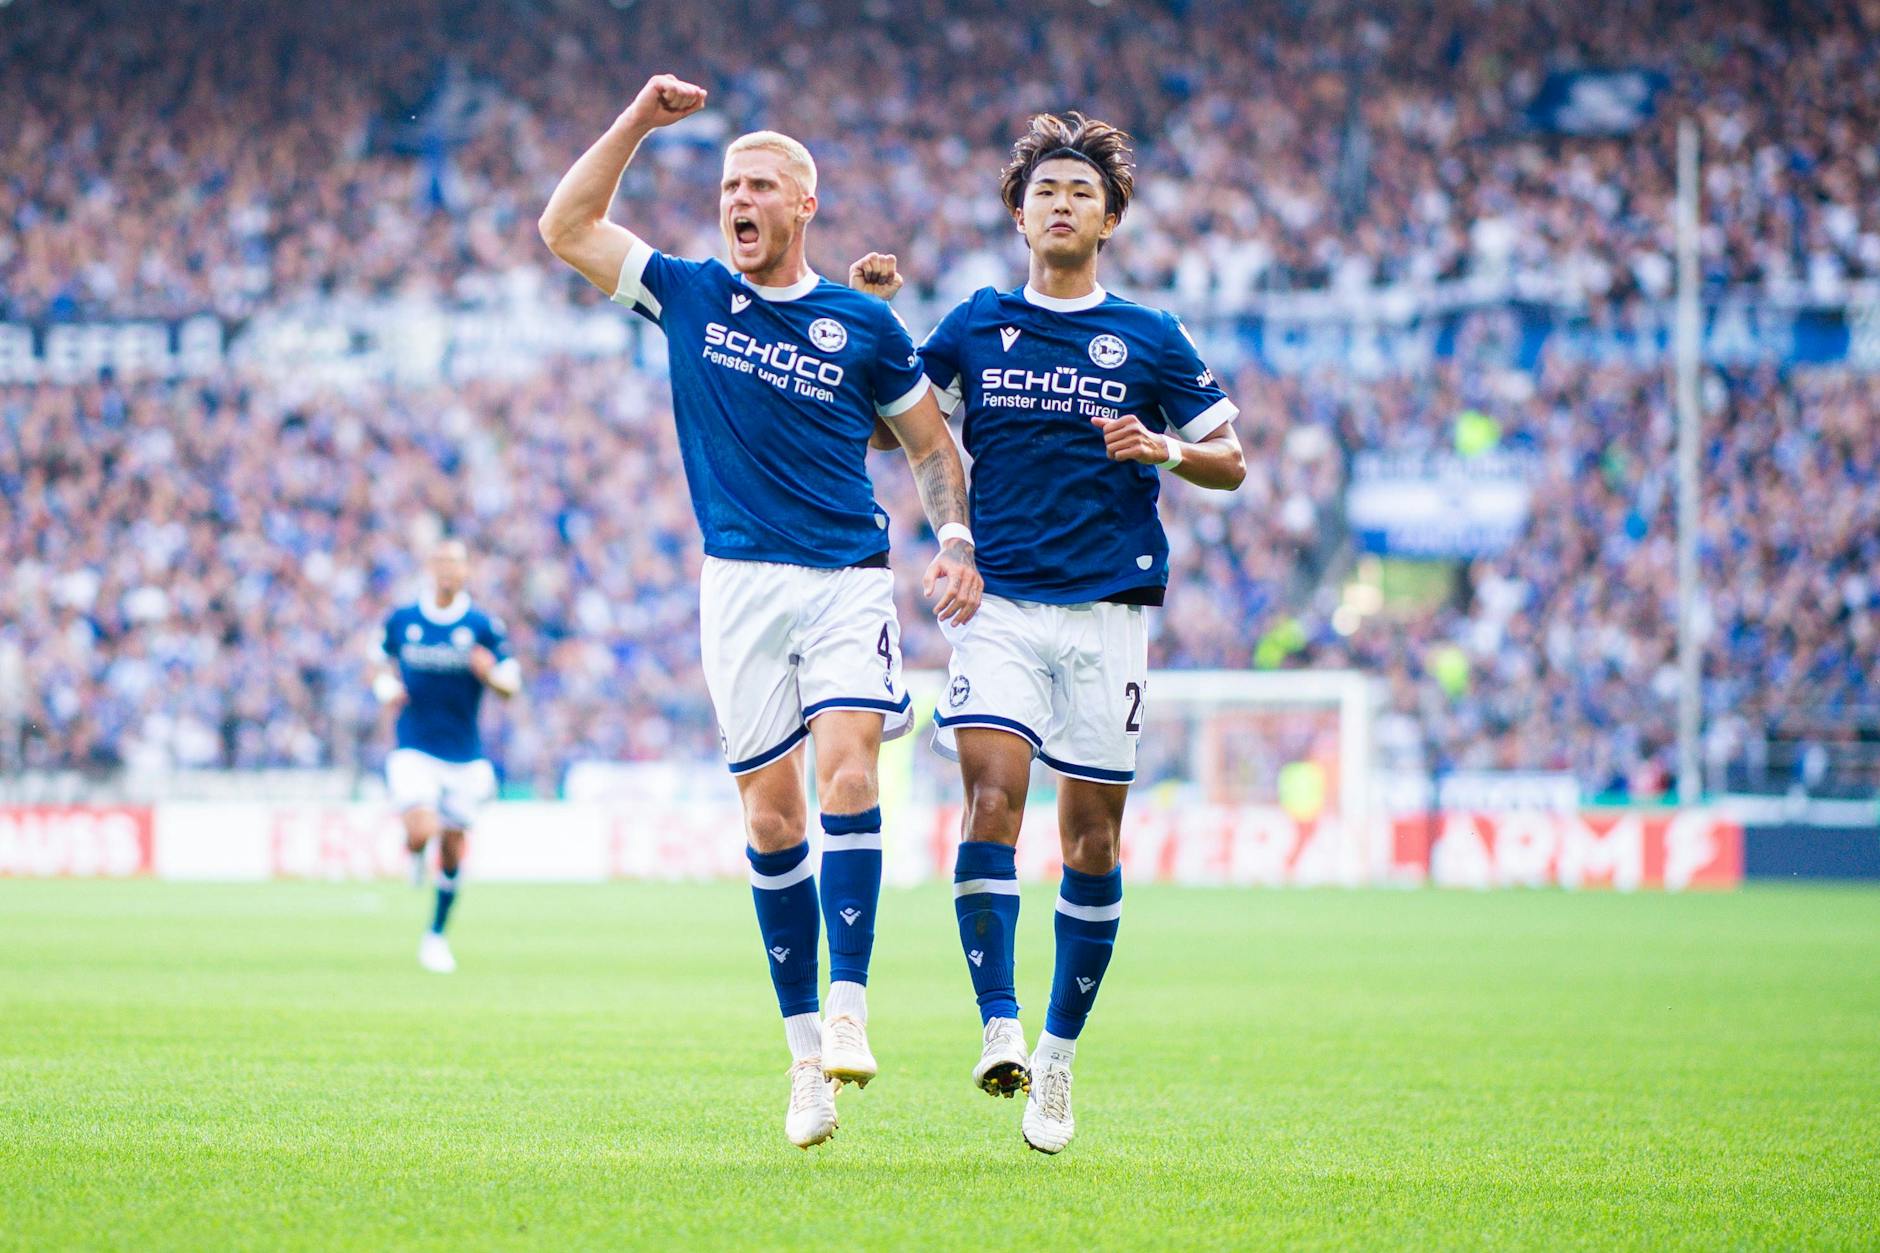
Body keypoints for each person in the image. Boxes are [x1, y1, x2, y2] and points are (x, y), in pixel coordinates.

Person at [538, 74, 981, 1149]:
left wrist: (955, 540)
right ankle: (803, 1058)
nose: (737, 198)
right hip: (734, 585)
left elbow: (928, 444)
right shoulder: (688, 293)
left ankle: (849, 1002)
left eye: (759, 185)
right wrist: (639, 122)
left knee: (848, 776)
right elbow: (565, 229)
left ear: (804, 205)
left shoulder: (861, 324)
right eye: (729, 185)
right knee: (772, 821)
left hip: (843, 578)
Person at [852, 113, 1246, 1153]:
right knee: (991, 797)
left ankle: (1059, 1060)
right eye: (1044, 192)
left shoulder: (1151, 335)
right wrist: (871, 320)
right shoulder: (976, 323)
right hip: (1002, 605)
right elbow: (891, 426)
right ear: (1018, 216)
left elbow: (1231, 459)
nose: (1061, 204)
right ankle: (1000, 1024)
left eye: (1081, 192)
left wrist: (1161, 447)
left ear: (1109, 219)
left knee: (1091, 840)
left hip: (1110, 611)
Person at [372, 540, 521, 974]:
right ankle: (417, 848)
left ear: (466, 571)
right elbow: (376, 662)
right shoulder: (403, 620)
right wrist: (384, 687)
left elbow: (511, 685)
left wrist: (489, 676)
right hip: (414, 747)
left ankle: (435, 936)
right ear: (430, 568)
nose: (447, 570)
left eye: (455, 563)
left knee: (453, 851)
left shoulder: (482, 625)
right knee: (423, 829)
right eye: (440, 562)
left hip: (463, 755)